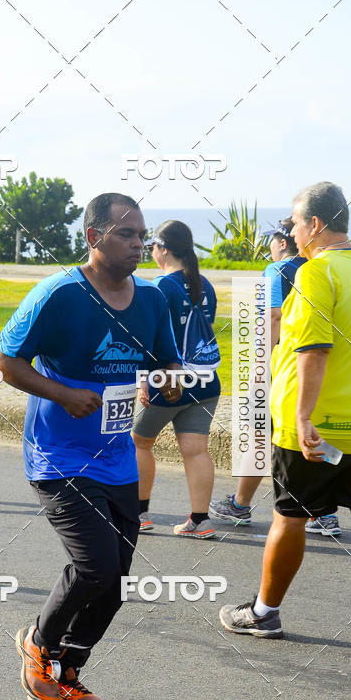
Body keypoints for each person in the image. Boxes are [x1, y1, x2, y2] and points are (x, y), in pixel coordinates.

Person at [0, 193, 182, 700]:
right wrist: (64, 394)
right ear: (94, 237)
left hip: (117, 457)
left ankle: (69, 672)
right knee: (94, 565)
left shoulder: (152, 300)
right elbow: (3, 360)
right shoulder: (60, 294)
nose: (139, 244)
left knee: (115, 580)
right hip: (57, 455)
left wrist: (163, 384)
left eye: (143, 236)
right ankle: (38, 645)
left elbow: (167, 365)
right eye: (127, 234)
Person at [220, 182, 351, 638]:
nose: (293, 229)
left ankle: (264, 613)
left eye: (296, 221)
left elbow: (314, 350)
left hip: (313, 430)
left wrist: (303, 418)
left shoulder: (316, 273)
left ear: (316, 225)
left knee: (290, 516)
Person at [208, 218, 320, 528]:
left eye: (272, 239)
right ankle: (324, 514)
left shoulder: (277, 270)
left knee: (258, 432)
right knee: (310, 432)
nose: (270, 245)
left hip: (281, 366)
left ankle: (241, 505)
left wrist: (260, 365)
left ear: (284, 242)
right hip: (316, 364)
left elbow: (273, 317)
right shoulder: (318, 268)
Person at [132, 220, 221, 539]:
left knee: (140, 443)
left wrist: (143, 379)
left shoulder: (160, 286)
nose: (150, 252)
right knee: (196, 449)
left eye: (152, 246)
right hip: (206, 381)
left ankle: (139, 514)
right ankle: (200, 521)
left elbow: (150, 339)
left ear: (164, 249)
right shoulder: (205, 284)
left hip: (168, 381)